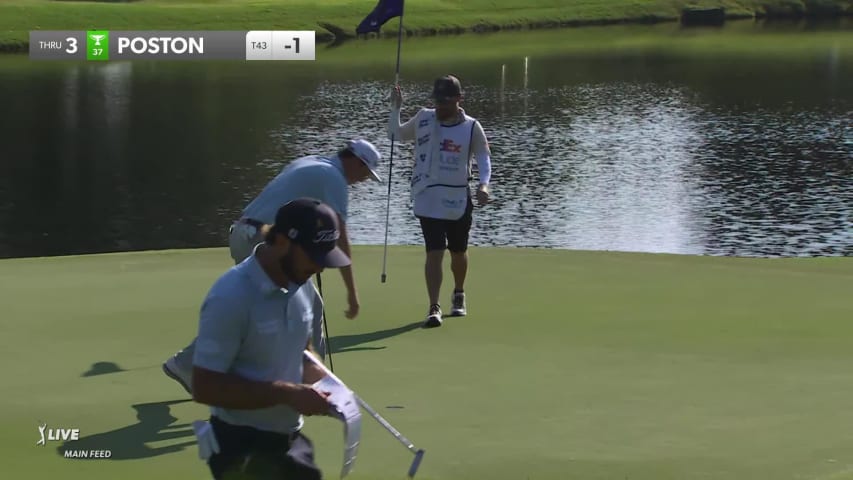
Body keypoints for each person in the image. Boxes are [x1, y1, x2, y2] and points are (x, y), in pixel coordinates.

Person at [163, 139, 382, 394]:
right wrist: (352, 292)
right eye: (366, 173)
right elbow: (340, 236)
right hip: (265, 239)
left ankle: (186, 363)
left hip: (247, 233)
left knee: (282, 305)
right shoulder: (333, 177)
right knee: (297, 306)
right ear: (356, 161)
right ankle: (311, 382)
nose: (364, 180)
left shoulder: (311, 162)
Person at [190, 198, 349, 480]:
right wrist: (289, 394)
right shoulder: (231, 296)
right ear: (282, 242)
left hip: (289, 441)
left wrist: (331, 389)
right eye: (314, 255)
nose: (320, 267)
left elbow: (302, 352)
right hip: (241, 448)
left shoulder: (303, 287)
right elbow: (205, 387)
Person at [388, 74, 493, 328]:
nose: (440, 107)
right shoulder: (424, 117)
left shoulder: (471, 126)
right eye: (437, 102)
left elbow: (483, 157)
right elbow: (396, 135)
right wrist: (395, 108)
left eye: (445, 102)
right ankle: (433, 306)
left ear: (459, 99)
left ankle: (458, 292)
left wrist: (484, 185)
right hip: (428, 194)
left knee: (458, 251)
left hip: (457, 196)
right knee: (434, 251)